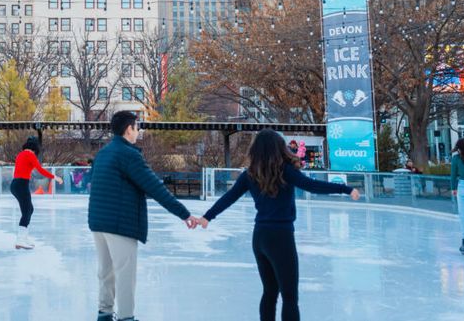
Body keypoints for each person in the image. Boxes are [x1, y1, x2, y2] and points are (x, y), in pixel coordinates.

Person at [197, 129, 360, 321]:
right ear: (278, 148)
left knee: (270, 292)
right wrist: (345, 189)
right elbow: (312, 185)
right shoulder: (286, 171)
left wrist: (208, 217)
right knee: (289, 297)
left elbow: (229, 197)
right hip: (280, 238)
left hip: (260, 238)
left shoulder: (249, 174)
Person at [88, 111, 197, 321]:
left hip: (99, 222)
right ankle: (127, 317)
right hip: (119, 223)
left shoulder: (104, 152)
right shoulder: (128, 154)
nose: (138, 132)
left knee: (106, 272)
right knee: (124, 275)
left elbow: (95, 182)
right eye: (137, 127)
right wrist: (184, 214)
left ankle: (104, 313)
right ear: (129, 128)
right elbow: (155, 187)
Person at [11, 136, 63, 250]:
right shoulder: (30, 155)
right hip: (21, 184)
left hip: (15, 184)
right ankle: (20, 239)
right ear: (35, 148)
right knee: (27, 211)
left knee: (29, 210)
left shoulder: (20, 154)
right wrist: (55, 177)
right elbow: (40, 170)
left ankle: (23, 237)